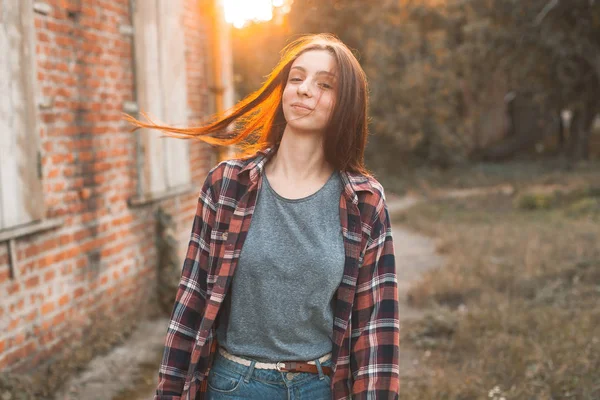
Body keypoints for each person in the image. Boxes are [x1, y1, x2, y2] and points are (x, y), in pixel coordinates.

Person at [126, 33, 399, 400]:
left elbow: (374, 330)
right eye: (296, 78)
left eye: (324, 84)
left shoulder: (363, 202)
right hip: (233, 385)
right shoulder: (226, 186)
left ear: (345, 104)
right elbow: (190, 303)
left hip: (318, 387)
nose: (303, 90)